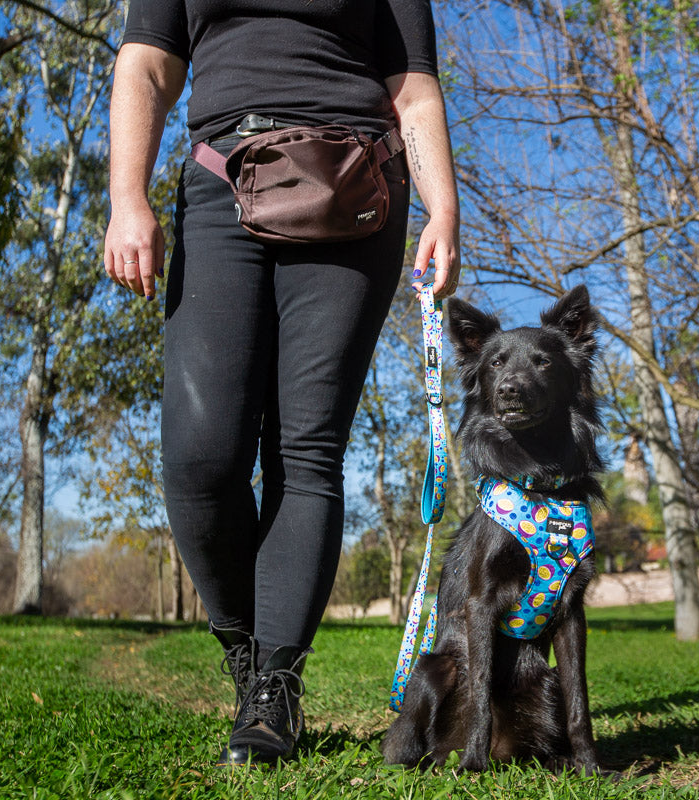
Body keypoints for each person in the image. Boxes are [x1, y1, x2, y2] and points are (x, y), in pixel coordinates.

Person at [102, 0, 460, 766]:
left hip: (354, 192)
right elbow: (147, 64)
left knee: (306, 448)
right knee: (201, 457)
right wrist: (126, 198)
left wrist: (443, 206)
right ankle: (245, 649)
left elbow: (412, 87)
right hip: (219, 181)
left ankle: (275, 687)